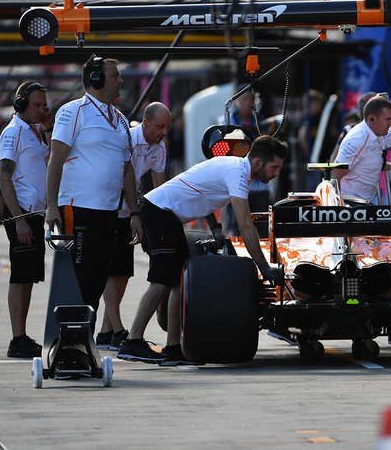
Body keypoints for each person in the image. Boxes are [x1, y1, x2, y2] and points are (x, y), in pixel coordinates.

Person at [117, 135, 287, 364]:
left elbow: (201, 192)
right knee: (161, 280)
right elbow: (245, 225)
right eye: (274, 167)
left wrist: (215, 227)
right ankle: (132, 341)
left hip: (169, 217)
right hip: (159, 213)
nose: (276, 173)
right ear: (258, 163)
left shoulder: (233, 167)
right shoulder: (237, 173)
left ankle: (173, 347)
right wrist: (263, 266)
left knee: (178, 281)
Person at [45, 55, 143, 315]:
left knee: (99, 278)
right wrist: (51, 206)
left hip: (109, 212)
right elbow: (55, 160)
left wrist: (134, 213)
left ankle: (84, 335)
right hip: (78, 209)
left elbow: (127, 169)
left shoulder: (121, 119)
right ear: (96, 79)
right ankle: (68, 337)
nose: (121, 80)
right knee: (79, 276)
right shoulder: (72, 111)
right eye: (115, 76)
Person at [96, 102, 171, 351]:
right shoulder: (125, 138)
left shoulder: (159, 149)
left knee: (124, 272)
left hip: (129, 209)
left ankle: (106, 331)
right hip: (107, 205)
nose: (164, 132)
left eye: (167, 127)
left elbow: (160, 189)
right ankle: (118, 330)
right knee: (109, 270)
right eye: (160, 126)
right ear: (146, 123)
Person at [0, 81, 51, 358]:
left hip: (34, 215)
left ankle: (22, 336)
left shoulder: (35, 133)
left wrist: (49, 126)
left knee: (28, 276)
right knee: (20, 276)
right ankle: (17, 338)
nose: (42, 109)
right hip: (21, 214)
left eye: (44, 104)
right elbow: (4, 176)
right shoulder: (13, 132)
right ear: (20, 104)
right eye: (37, 105)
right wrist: (18, 219)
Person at [332, 95, 391, 202]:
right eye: (388, 119)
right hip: (351, 206)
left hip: (364, 203)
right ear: (372, 119)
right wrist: (340, 210)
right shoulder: (358, 139)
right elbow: (335, 175)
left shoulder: (377, 133)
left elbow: (368, 162)